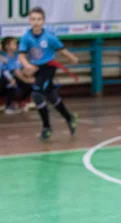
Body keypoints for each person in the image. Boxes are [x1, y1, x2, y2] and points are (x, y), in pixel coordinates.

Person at [18, 6, 79, 139]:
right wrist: (27, 65)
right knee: (51, 96)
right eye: (33, 19)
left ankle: (47, 128)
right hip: (36, 68)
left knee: (37, 94)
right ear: (29, 20)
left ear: (43, 21)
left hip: (48, 67)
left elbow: (61, 49)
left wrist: (72, 58)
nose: (36, 22)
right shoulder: (26, 37)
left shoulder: (49, 37)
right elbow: (21, 55)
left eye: (39, 19)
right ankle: (69, 118)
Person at [1, 37, 34, 114]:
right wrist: (11, 79)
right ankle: (8, 106)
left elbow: (20, 69)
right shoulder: (3, 57)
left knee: (30, 84)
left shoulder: (17, 56)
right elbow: (4, 71)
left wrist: (28, 76)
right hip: (5, 78)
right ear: (7, 46)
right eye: (14, 44)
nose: (17, 45)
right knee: (11, 83)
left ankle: (21, 101)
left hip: (17, 76)